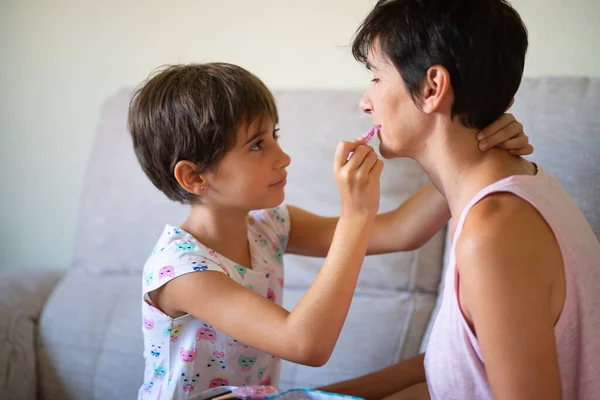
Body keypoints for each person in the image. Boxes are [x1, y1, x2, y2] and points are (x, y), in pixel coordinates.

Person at [128, 62, 532, 398]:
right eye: (257, 145)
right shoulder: (181, 272)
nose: (282, 157)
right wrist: (355, 214)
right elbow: (306, 344)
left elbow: (401, 231)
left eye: (275, 136)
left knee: (444, 361)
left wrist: (480, 153)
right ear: (194, 177)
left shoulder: (270, 227)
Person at [319, 1, 600, 399]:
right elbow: (459, 363)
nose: (365, 102)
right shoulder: (511, 186)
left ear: (433, 87)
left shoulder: (494, 234)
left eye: (376, 78)